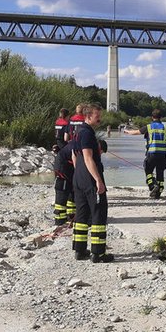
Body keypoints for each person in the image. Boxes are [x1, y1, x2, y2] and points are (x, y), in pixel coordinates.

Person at [71, 103, 113, 263]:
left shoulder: (78, 132)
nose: (100, 119)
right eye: (97, 116)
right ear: (88, 116)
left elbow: (75, 156)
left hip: (79, 178)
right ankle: (98, 253)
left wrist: (78, 174)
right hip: (89, 180)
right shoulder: (87, 134)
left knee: (81, 215)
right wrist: (98, 180)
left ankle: (80, 251)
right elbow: (88, 158)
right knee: (98, 213)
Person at [124, 109, 166, 199]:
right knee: (160, 173)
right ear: (161, 118)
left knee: (148, 170)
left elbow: (136, 132)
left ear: (152, 117)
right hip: (162, 155)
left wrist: (127, 131)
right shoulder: (165, 128)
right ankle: (158, 192)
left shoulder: (149, 127)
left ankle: (152, 185)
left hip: (152, 154)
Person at [52, 141, 76, 226]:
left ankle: (71, 214)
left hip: (68, 169)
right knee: (62, 192)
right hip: (62, 169)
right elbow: (75, 159)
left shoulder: (78, 142)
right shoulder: (77, 145)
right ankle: (60, 220)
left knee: (71, 189)